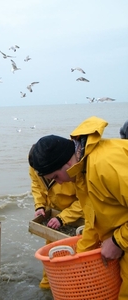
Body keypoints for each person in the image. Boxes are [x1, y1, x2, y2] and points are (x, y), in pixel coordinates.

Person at [29, 116, 128, 300]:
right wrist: (79, 258)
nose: (59, 183)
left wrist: (117, 241)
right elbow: (93, 219)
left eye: (56, 177)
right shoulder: (83, 172)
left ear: (66, 164)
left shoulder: (104, 164)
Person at [28, 150, 84, 288]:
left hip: (78, 218)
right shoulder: (35, 165)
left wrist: (63, 218)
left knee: (77, 259)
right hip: (54, 217)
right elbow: (36, 185)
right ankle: (48, 286)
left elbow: (85, 200)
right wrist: (39, 206)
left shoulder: (73, 169)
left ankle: (74, 288)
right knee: (51, 256)